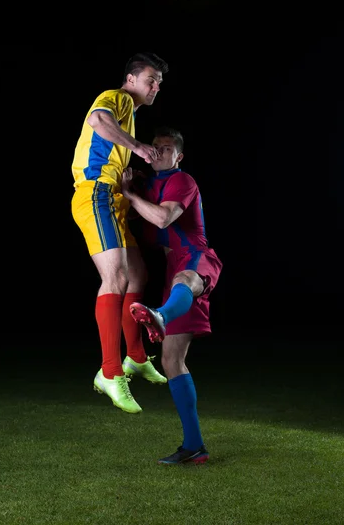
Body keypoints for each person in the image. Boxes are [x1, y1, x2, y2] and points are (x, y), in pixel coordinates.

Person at [71, 52, 170, 415]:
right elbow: (98, 119)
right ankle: (110, 373)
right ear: (131, 79)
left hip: (111, 198)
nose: (155, 86)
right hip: (95, 192)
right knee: (115, 277)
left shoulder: (128, 109)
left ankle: (136, 357)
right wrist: (137, 147)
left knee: (138, 275)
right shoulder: (118, 97)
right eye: (150, 79)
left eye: (159, 82)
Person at [121, 126, 223, 464]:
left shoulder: (183, 180)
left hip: (195, 258)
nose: (160, 152)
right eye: (157, 147)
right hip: (171, 275)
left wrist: (131, 196)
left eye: (167, 148)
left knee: (185, 278)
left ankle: (161, 315)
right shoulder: (148, 183)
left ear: (179, 155)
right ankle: (194, 446)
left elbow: (164, 218)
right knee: (171, 361)